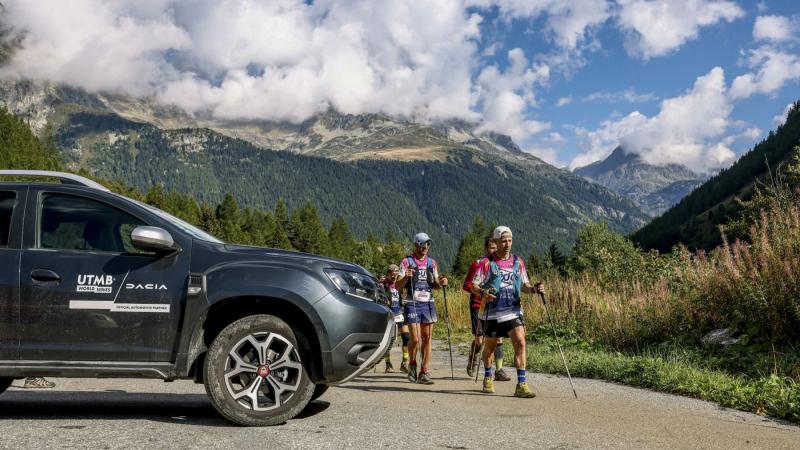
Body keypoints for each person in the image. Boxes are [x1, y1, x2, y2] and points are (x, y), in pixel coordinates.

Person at [471, 226, 544, 398]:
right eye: (503, 241)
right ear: (495, 242)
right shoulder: (486, 263)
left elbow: (524, 285)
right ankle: (488, 376)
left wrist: (534, 289)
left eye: (509, 240)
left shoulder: (518, 262)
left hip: (513, 310)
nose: (507, 244)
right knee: (489, 349)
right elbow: (474, 286)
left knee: (520, 342)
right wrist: (483, 293)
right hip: (493, 313)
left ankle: (521, 384)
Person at [397, 232, 448, 385]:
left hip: (428, 303)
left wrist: (442, 283)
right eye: (422, 244)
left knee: (427, 338)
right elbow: (397, 285)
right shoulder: (407, 262)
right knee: (415, 338)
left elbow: (436, 285)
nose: (425, 247)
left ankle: (424, 371)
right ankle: (412, 364)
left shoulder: (432, 263)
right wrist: (406, 276)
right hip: (412, 302)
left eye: (427, 244)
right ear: (416, 245)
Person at [462, 237, 510, 381]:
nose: (494, 250)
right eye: (491, 248)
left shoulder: (501, 264)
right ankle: (473, 360)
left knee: (499, 338)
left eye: (496, 248)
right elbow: (467, 285)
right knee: (480, 339)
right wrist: (481, 291)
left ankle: (499, 370)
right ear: (486, 249)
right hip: (478, 305)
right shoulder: (478, 264)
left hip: (496, 305)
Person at [381, 264, 411, 373]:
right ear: (388, 274)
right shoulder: (383, 284)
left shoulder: (401, 283)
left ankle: (404, 363)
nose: (394, 277)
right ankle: (388, 364)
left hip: (400, 313)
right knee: (388, 342)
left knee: (407, 339)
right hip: (389, 315)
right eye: (392, 275)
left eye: (396, 275)